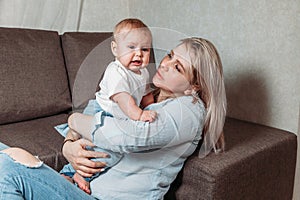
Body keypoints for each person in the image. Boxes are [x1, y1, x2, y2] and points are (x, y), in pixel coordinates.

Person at [0, 37, 227, 200]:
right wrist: (69, 145)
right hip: (78, 185)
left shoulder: (189, 110)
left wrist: (73, 121)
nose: (165, 64)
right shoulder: (147, 95)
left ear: (194, 86)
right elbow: (98, 110)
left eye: (177, 67)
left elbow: (129, 137)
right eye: (169, 55)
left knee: (7, 167)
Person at [56, 18, 157, 194]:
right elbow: (124, 99)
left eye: (145, 49)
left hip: (120, 115)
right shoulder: (116, 71)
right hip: (102, 112)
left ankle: (71, 173)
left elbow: (146, 94)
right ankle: (77, 174)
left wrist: (152, 108)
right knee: (102, 151)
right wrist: (140, 115)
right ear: (115, 49)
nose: (139, 54)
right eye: (131, 47)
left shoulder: (144, 72)